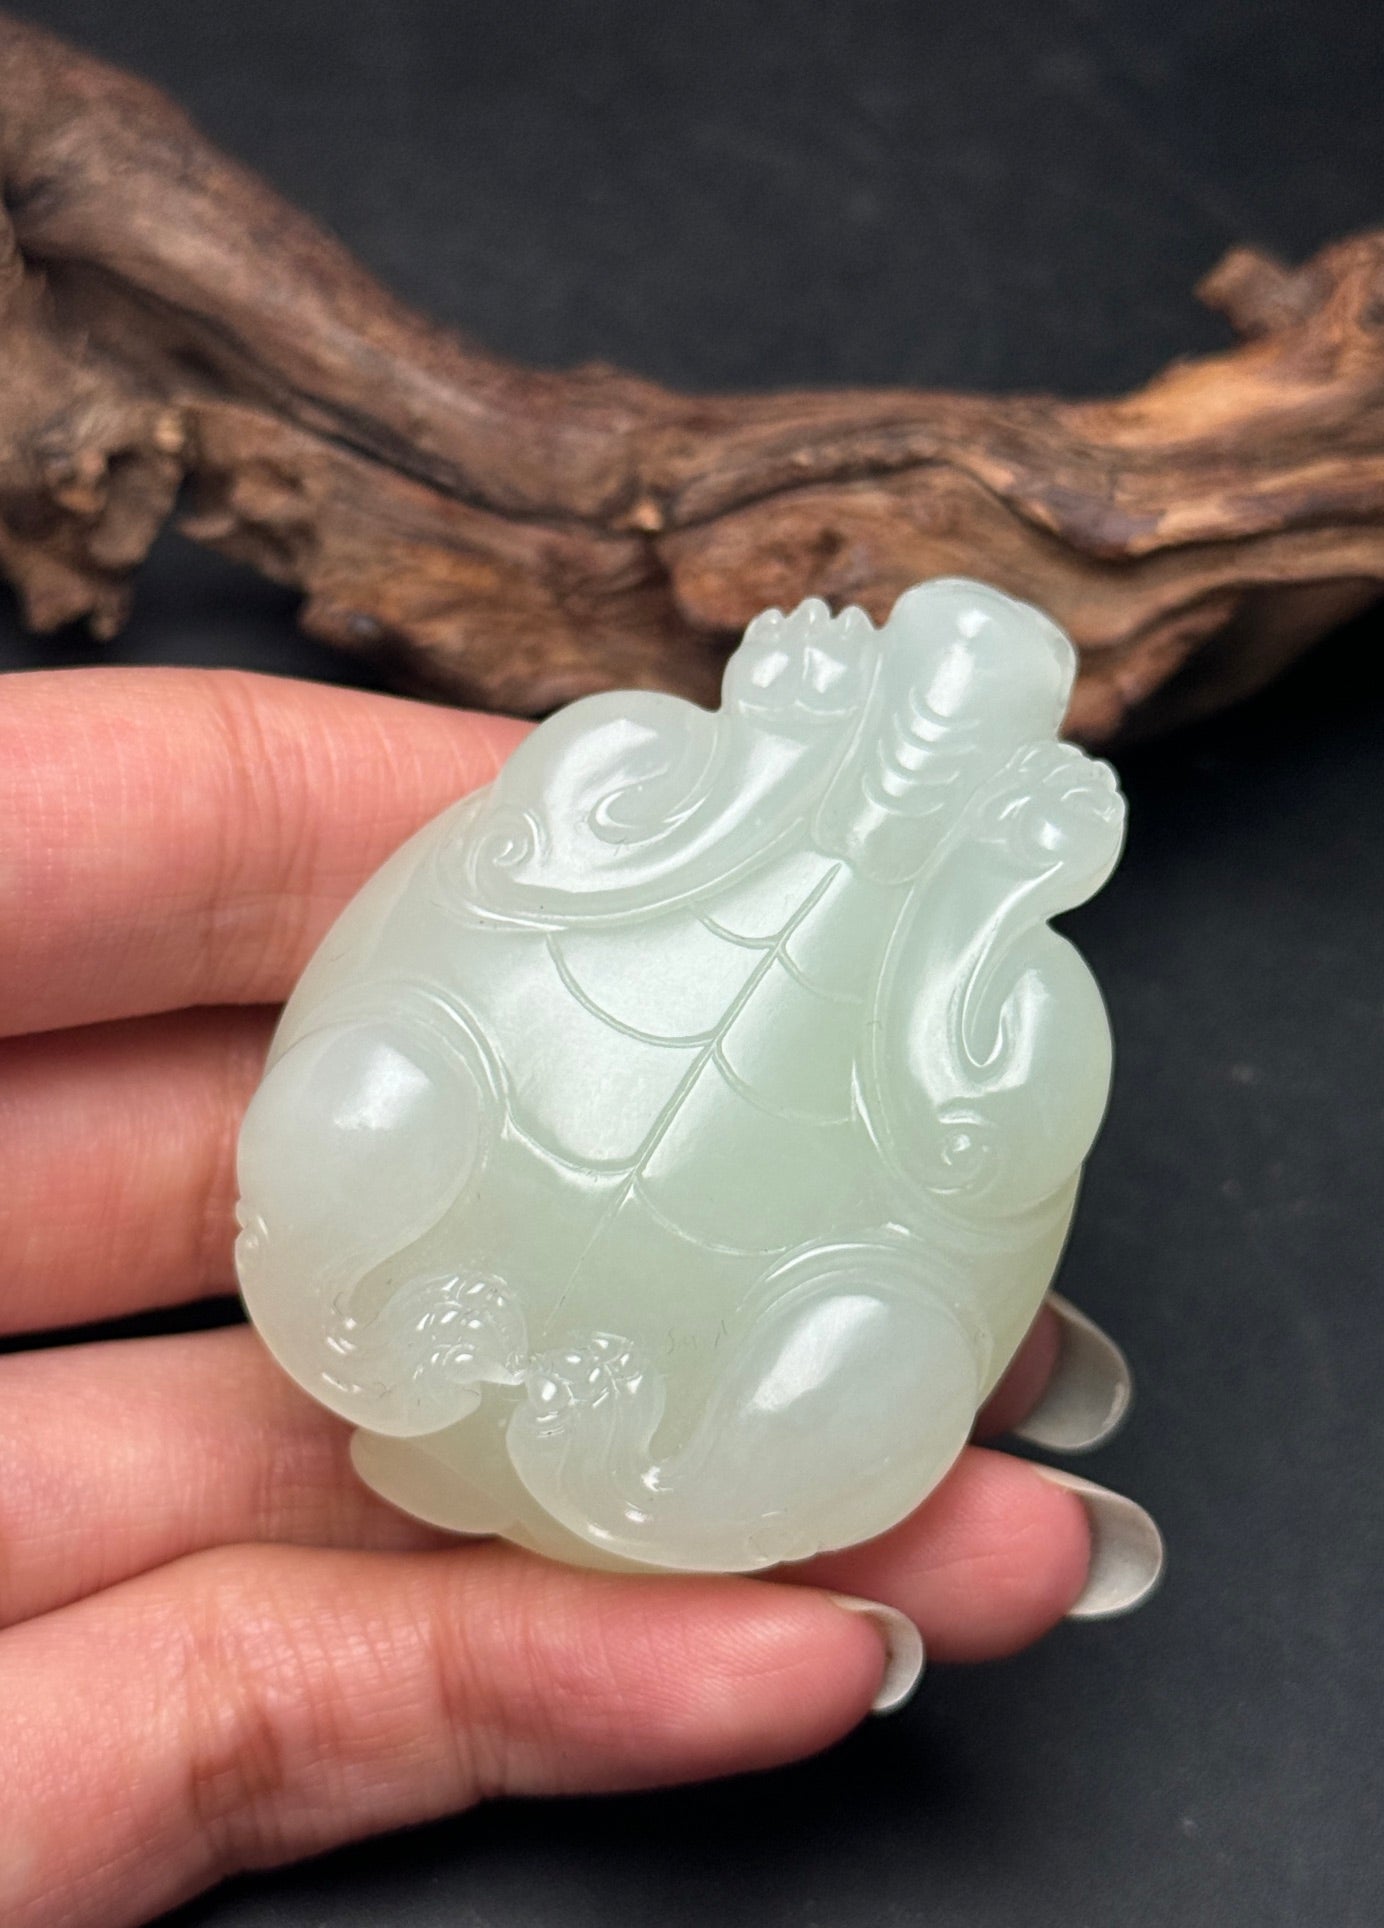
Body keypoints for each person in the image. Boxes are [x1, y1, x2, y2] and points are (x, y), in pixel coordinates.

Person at [0, 666, 1161, 1928]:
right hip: (422, 1259)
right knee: (389, 1068)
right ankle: (358, 1326)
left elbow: (987, 1158)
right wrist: (776, 747)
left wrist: (994, 896)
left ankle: (658, 1481)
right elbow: (516, 871)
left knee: (890, 1338)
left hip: (669, 1422)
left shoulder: (1022, 983)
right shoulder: (652, 757)